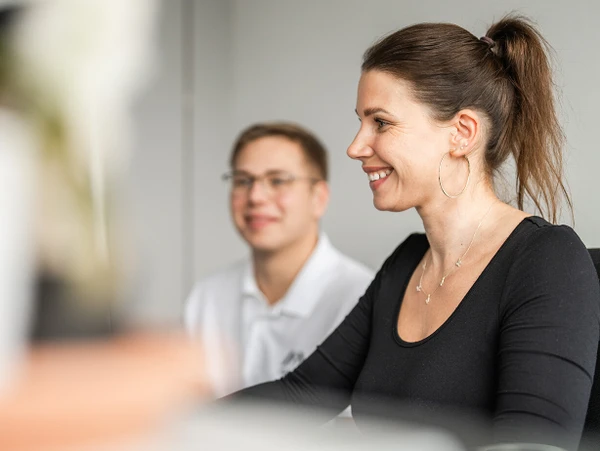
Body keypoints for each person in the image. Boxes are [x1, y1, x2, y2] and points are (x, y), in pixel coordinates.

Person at [225, 16, 600, 451]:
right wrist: (163, 416)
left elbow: (533, 446)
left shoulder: (547, 259)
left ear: (461, 133)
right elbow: (301, 394)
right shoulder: (406, 263)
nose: (355, 146)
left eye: (380, 122)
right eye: (361, 121)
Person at [184, 122, 374, 398]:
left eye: (277, 180)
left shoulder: (359, 298)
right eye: (243, 181)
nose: (255, 197)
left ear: (318, 198)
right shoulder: (207, 297)